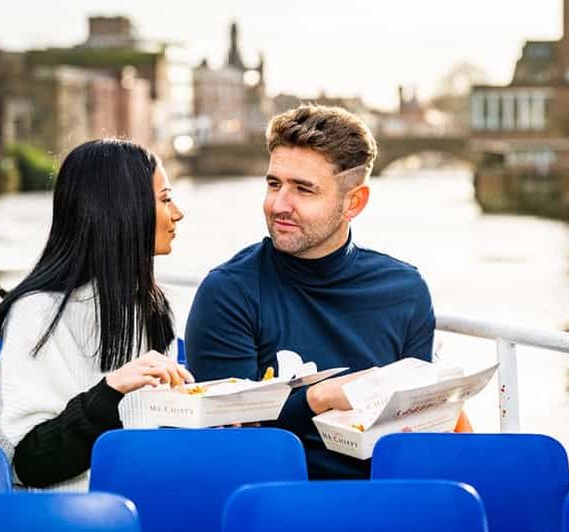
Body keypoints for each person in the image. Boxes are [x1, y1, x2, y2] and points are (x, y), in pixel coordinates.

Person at [185, 104, 436, 479]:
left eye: (303, 189)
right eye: (274, 184)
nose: (278, 205)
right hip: (270, 504)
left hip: (383, 501)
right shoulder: (227, 292)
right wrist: (317, 400)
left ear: (354, 202)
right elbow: (232, 443)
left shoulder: (405, 291)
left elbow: (416, 431)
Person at [0, 138, 192, 491]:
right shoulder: (37, 312)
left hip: (138, 501)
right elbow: (30, 463)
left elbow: (149, 441)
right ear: (124, 210)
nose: (178, 213)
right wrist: (111, 391)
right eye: (165, 198)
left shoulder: (153, 307)